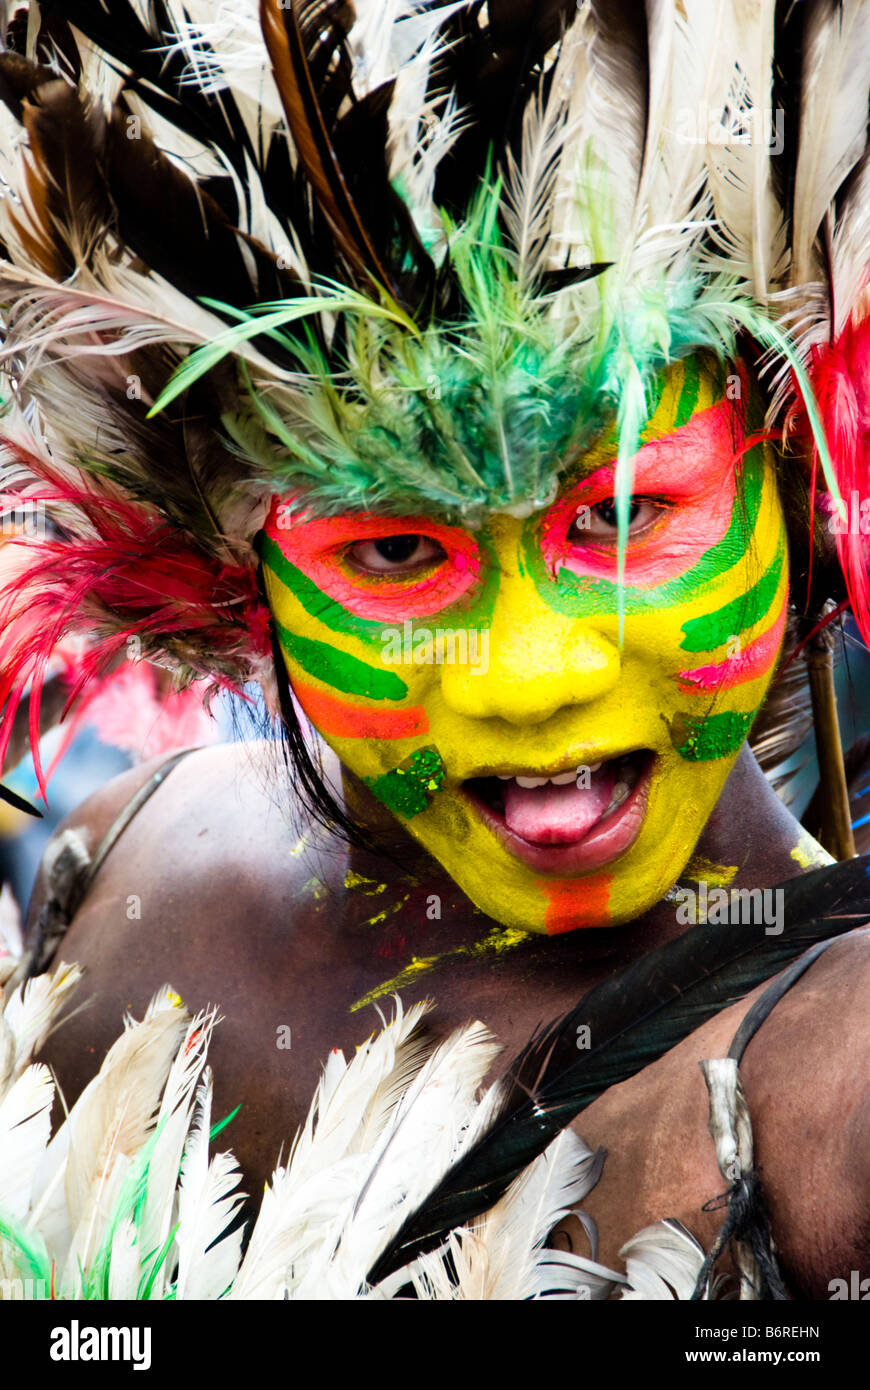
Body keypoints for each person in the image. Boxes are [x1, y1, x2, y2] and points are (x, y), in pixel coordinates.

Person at [2, 0, 870, 1298]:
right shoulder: (127, 846)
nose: (534, 673)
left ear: (797, 497)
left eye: (624, 515)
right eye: (395, 550)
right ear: (243, 573)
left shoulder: (838, 1097)